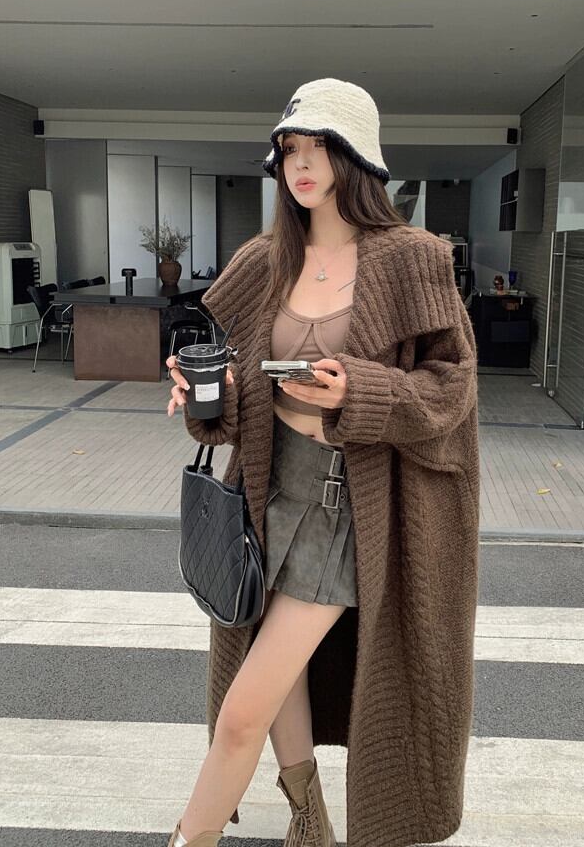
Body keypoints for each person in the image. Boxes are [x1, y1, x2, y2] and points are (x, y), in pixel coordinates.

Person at [166, 78, 480, 847]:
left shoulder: (412, 259)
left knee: (241, 715)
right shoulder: (264, 260)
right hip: (265, 496)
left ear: (356, 158)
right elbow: (238, 405)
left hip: (348, 507)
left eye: (319, 149)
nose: (300, 165)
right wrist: (209, 396)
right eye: (289, 150)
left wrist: (358, 391)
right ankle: (309, 825)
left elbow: (452, 388)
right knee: (281, 682)